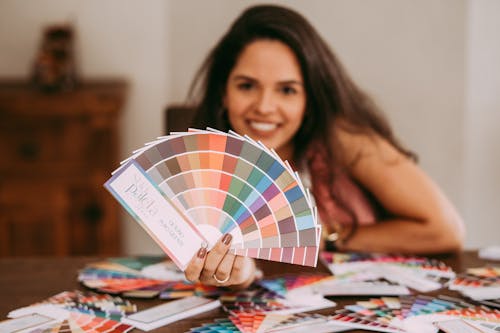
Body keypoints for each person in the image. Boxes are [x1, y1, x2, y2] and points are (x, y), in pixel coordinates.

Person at [182, 4, 465, 289]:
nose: (265, 107)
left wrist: (325, 236)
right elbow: (238, 270)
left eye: (287, 90)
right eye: (247, 86)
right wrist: (236, 274)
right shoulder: (205, 163)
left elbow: (445, 230)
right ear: (223, 92)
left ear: (310, 99)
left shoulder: (342, 139)